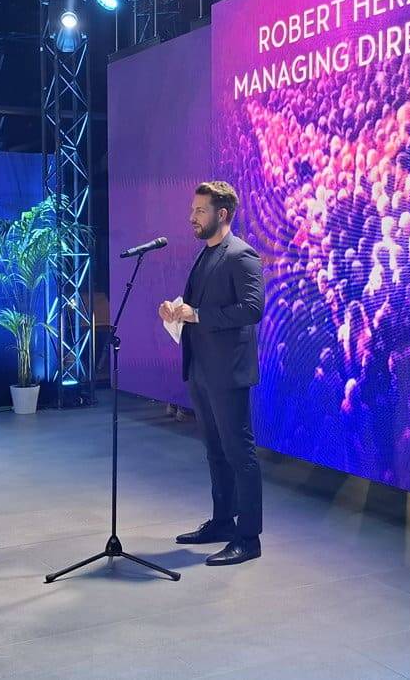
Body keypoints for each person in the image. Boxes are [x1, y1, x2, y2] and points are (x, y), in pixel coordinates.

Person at [160, 181, 264, 566]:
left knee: (240, 453)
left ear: (222, 214)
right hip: (201, 369)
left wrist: (198, 314)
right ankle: (223, 522)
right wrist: (176, 311)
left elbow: (252, 309)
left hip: (228, 372)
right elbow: (197, 308)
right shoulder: (205, 255)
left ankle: (248, 537)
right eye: (193, 210)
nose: (192, 216)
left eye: (199, 210)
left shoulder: (241, 255)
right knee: (215, 451)